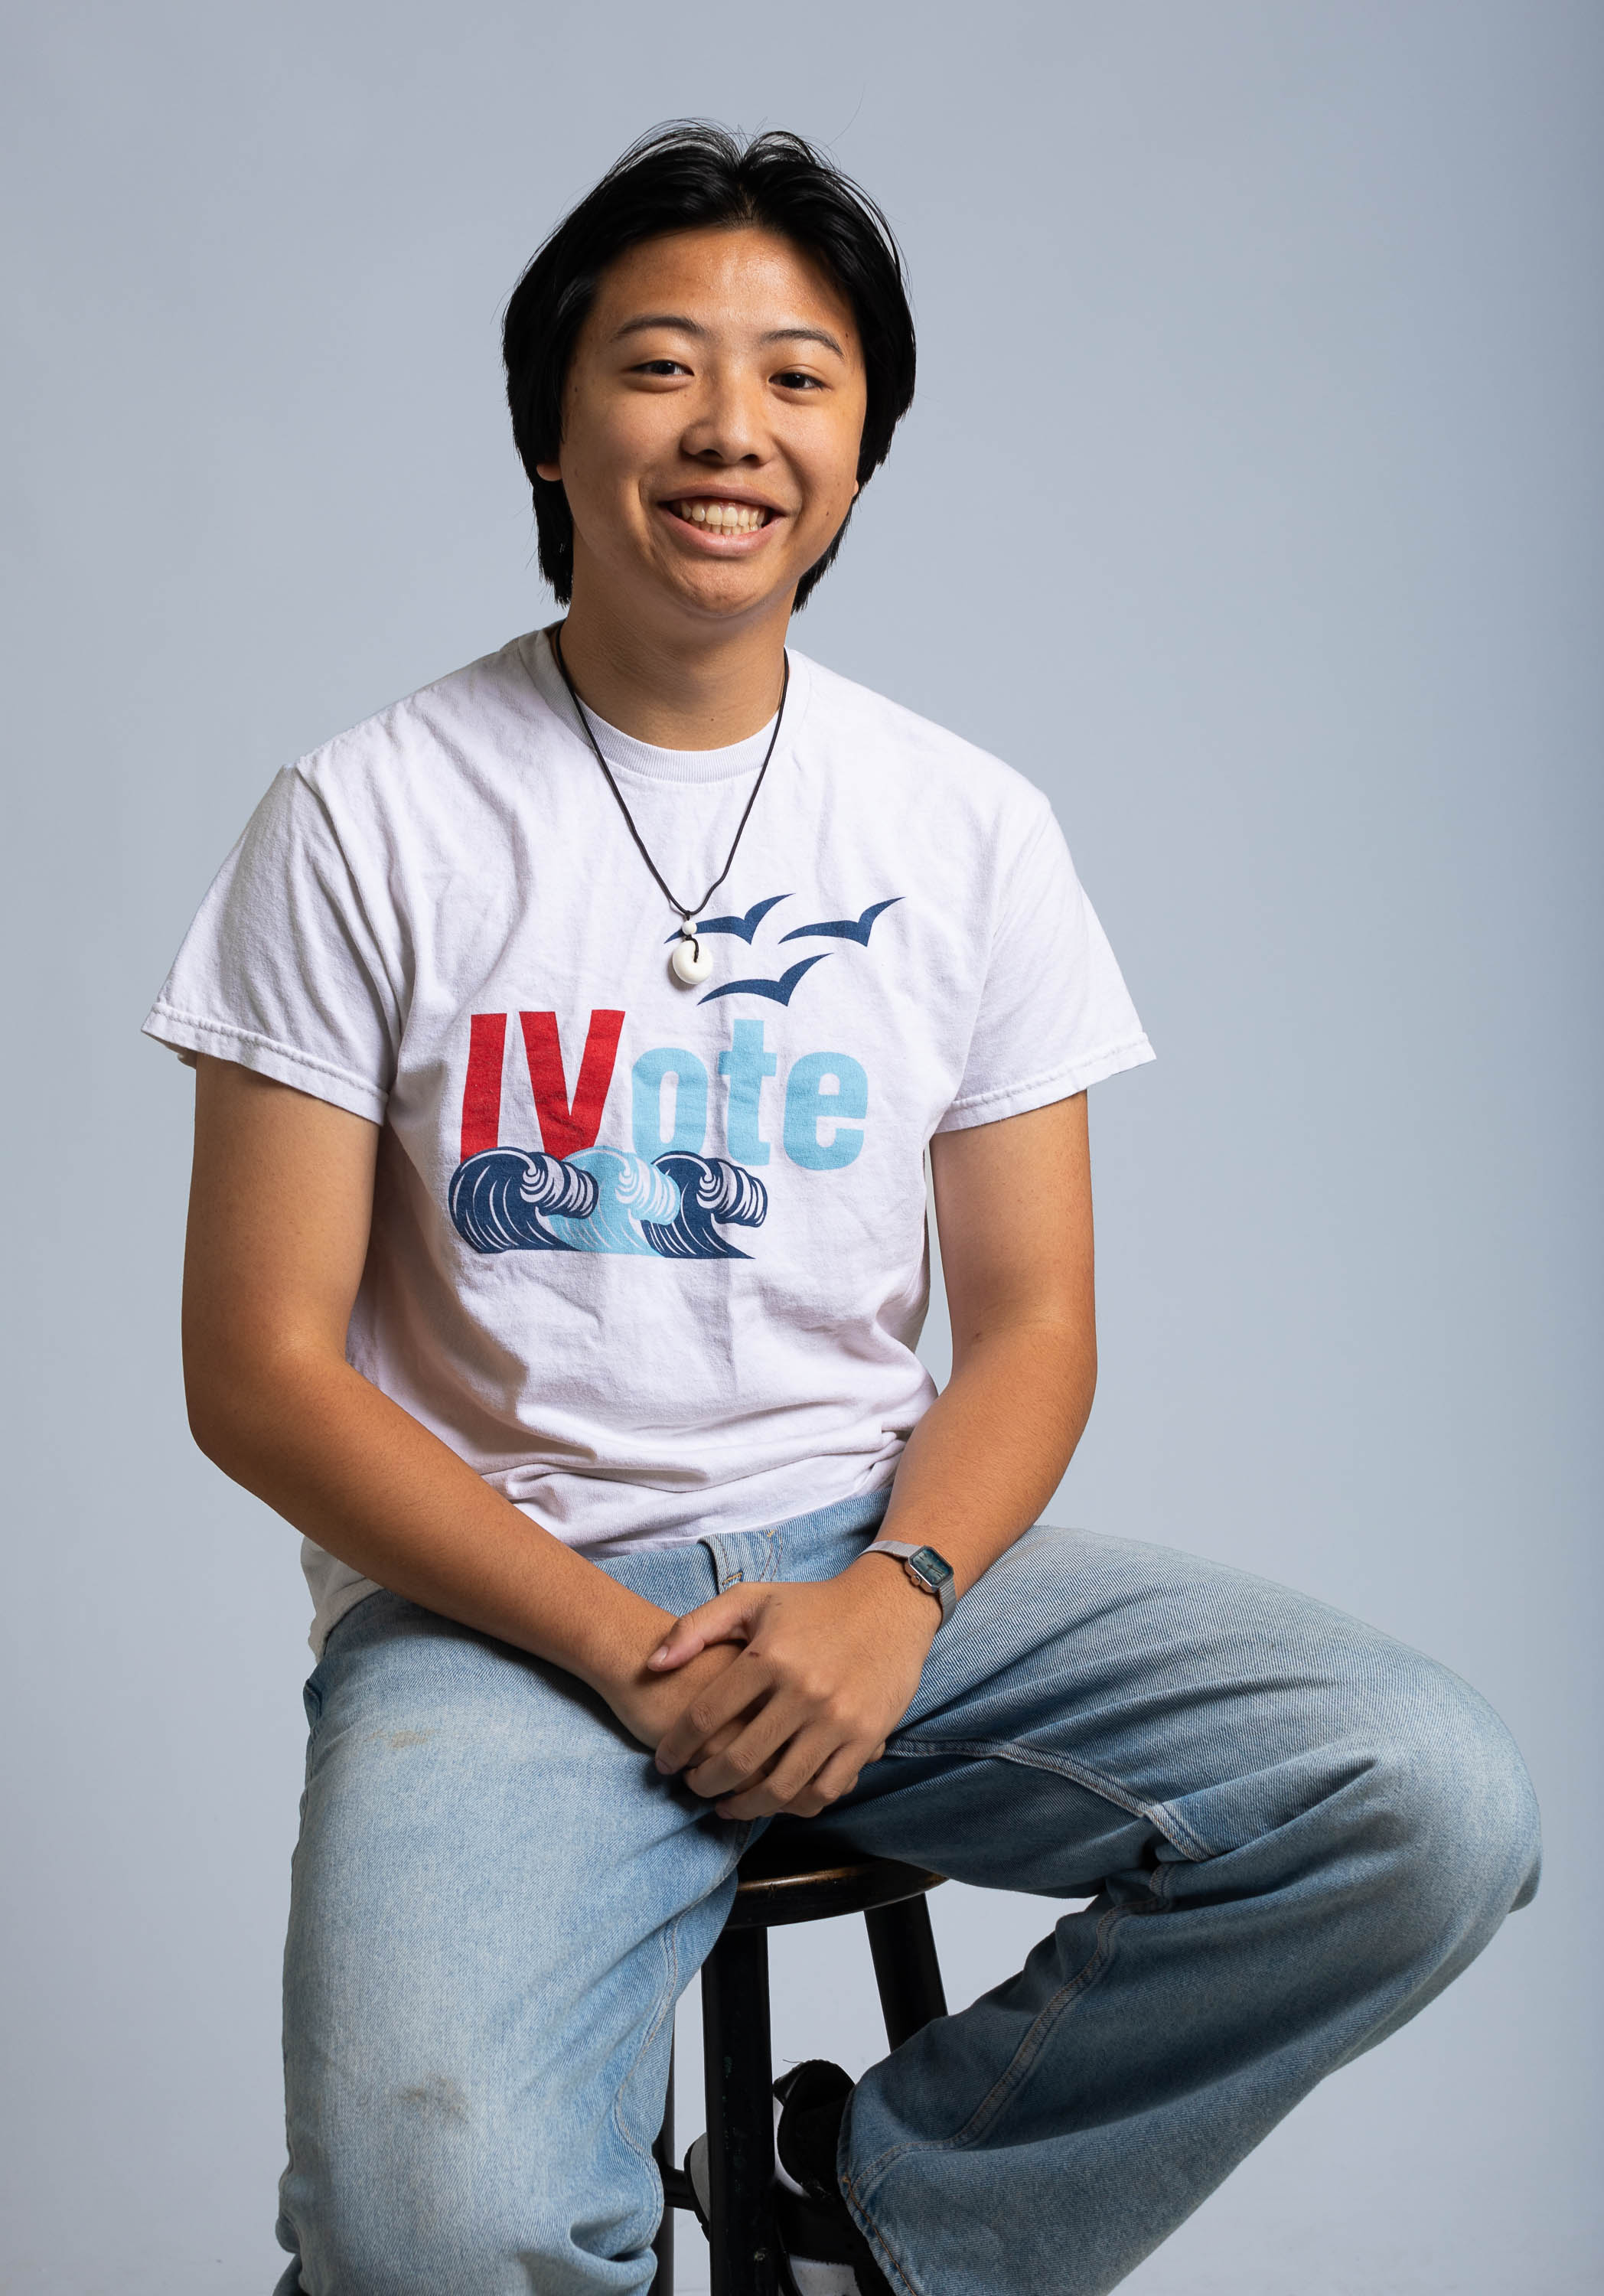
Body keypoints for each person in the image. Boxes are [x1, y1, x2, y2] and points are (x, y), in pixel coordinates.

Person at [145, 122, 1539, 2296]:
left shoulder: (967, 826)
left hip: (878, 1569)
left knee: (1427, 1801)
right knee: (442, 2230)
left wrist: (891, 1593)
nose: (731, 430)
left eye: (798, 377)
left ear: (865, 449)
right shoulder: (366, 817)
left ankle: (876, 2218)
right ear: (548, 427)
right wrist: (618, 1647)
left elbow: (1038, 1322)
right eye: (659, 367)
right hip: (503, 1614)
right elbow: (256, 1367)